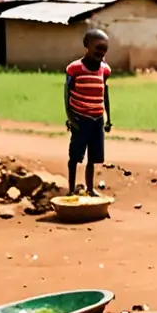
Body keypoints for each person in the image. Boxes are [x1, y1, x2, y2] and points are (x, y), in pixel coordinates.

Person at [65, 28, 112, 196]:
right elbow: (67, 92)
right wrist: (70, 117)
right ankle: (71, 190)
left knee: (93, 157)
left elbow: (104, 93)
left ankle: (90, 188)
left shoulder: (105, 70)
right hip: (80, 117)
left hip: (97, 119)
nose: (101, 52)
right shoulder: (75, 68)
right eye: (98, 47)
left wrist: (108, 118)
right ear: (87, 45)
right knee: (75, 156)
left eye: (105, 49)